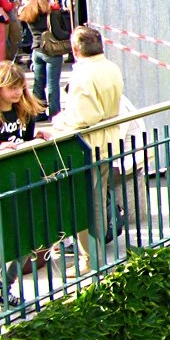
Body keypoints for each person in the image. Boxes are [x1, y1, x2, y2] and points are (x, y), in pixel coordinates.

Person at [0, 61, 50, 307]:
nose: (17, 92)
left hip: (21, 182)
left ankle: (4, 285)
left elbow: (24, 143)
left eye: (20, 87)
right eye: (11, 87)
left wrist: (36, 139)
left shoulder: (26, 113)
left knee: (31, 236)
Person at [53, 26, 124, 275]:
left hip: (88, 146)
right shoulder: (111, 67)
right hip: (109, 140)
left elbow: (83, 117)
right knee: (97, 200)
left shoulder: (83, 75)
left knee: (85, 205)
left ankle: (91, 259)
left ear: (75, 49)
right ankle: (94, 256)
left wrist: (59, 122)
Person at [18, 0, 70, 120]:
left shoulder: (28, 14)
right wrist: (69, 34)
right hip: (51, 52)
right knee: (52, 84)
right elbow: (58, 33)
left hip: (36, 50)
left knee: (38, 83)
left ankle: (38, 112)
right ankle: (54, 113)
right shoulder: (51, 14)